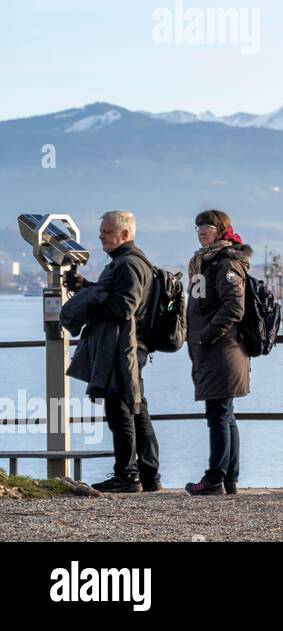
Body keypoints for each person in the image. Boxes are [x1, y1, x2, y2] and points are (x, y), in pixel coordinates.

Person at [63, 211, 160, 493]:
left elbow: (125, 306)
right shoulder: (127, 262)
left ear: (125, 235)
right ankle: (148, 474)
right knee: (136, 407)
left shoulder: (128, 264)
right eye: (101, 231)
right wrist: (88, 288)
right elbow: (117, 296)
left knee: (121, 409)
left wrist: (90, 301)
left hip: (124, 347)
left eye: (107, 231)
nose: (101, 236)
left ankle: (127, 476)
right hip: (129, 345)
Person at [184, 210, 252, 496]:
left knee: (218, 415)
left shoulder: (225, 264)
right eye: (199, 225)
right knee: (226, 415)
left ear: (222, 230)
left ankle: (214, 479)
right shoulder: (205, 262)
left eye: (208, 226)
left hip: (222, 350)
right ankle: (229, 479)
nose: (202, 230)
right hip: (213, 350)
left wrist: (206, 335)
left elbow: (234, 308)